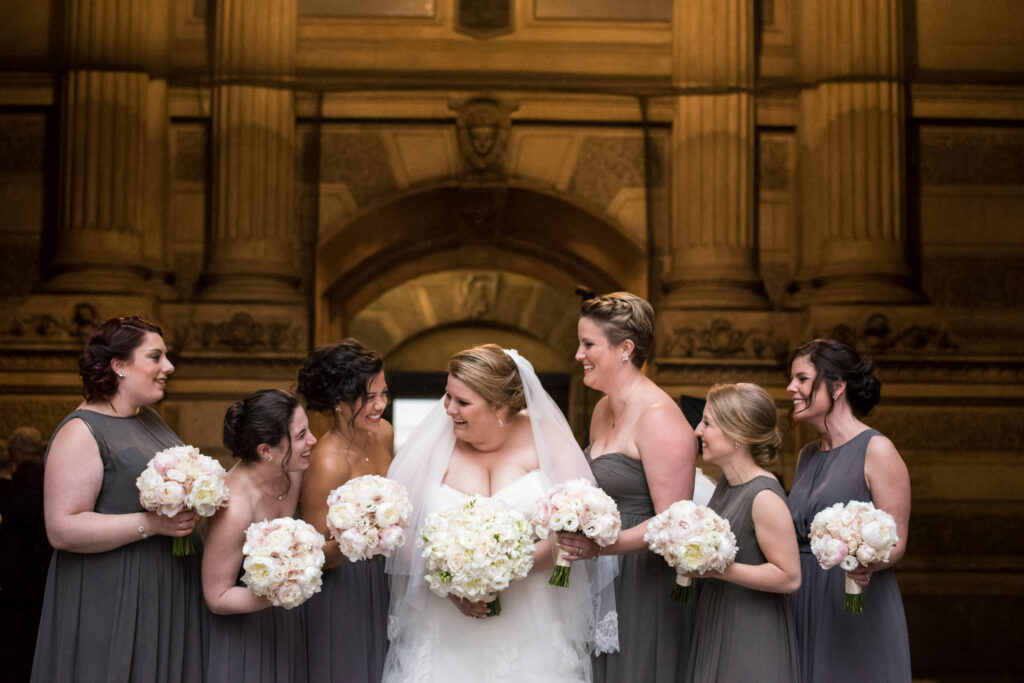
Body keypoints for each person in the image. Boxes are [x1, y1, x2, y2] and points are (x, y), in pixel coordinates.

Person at [382, 344, 618, 682]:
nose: (448, 409)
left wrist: (501, 568)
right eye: (447, 396)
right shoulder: (434, 445)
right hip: (445, 621)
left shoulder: (547, 438)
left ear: (500, 408)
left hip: (533, 619)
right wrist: (454, 585)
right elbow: (400, 534)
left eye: (462, 402)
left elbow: (580, 523)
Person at [31, 316, 205, 683]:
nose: (168, 367)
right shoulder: (82, 431)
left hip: (165, 591)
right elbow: (62, 529)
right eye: (156, 357)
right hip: (111, 597)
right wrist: (153, 524)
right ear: (119, 366)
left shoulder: (151, 419)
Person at [562, 291, 713, 683]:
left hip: (642, 580)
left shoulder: (660, 418)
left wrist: (604, 546)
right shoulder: (601, 408)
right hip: (599, 572)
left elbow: (673, 521)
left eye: (588, 344)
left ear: (625, 349)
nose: (579, 354)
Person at [786, 339, 912, 682]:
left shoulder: (877, 449)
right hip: (804, 600)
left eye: (802, 379)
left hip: (852, 598)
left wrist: (866, 562)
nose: (790, 388)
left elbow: (897, 540)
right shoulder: (806, 455)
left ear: (838, 386)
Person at [686, 383, 801, 682]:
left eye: (707, 423)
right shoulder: (727, 483)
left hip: (751, 629)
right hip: (718, 614)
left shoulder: (764, 496)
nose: (698, 430)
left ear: (737, 435)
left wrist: (715, 569)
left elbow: (789, 577)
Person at [203, 389, 318, 683]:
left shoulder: (293, 468)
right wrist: (287, 590)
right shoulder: (235, 507)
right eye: (301, 435)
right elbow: (216, 596)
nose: (313, 441)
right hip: (245, 634)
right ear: (266, 450)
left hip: (287, 624)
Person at [296, 340, 393, 683]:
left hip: (385, 576)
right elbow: (317, 555)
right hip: (343, 588)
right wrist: (364, 534)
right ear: (339, 401)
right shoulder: (327, 460)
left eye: (384, 393)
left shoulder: (384, 434)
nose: (380, 404)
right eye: (369, 397)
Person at [0, 427, 50, 683]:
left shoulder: (9, 493)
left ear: (14, 457)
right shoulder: (52, 484)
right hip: (46, 584)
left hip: (14, 590)